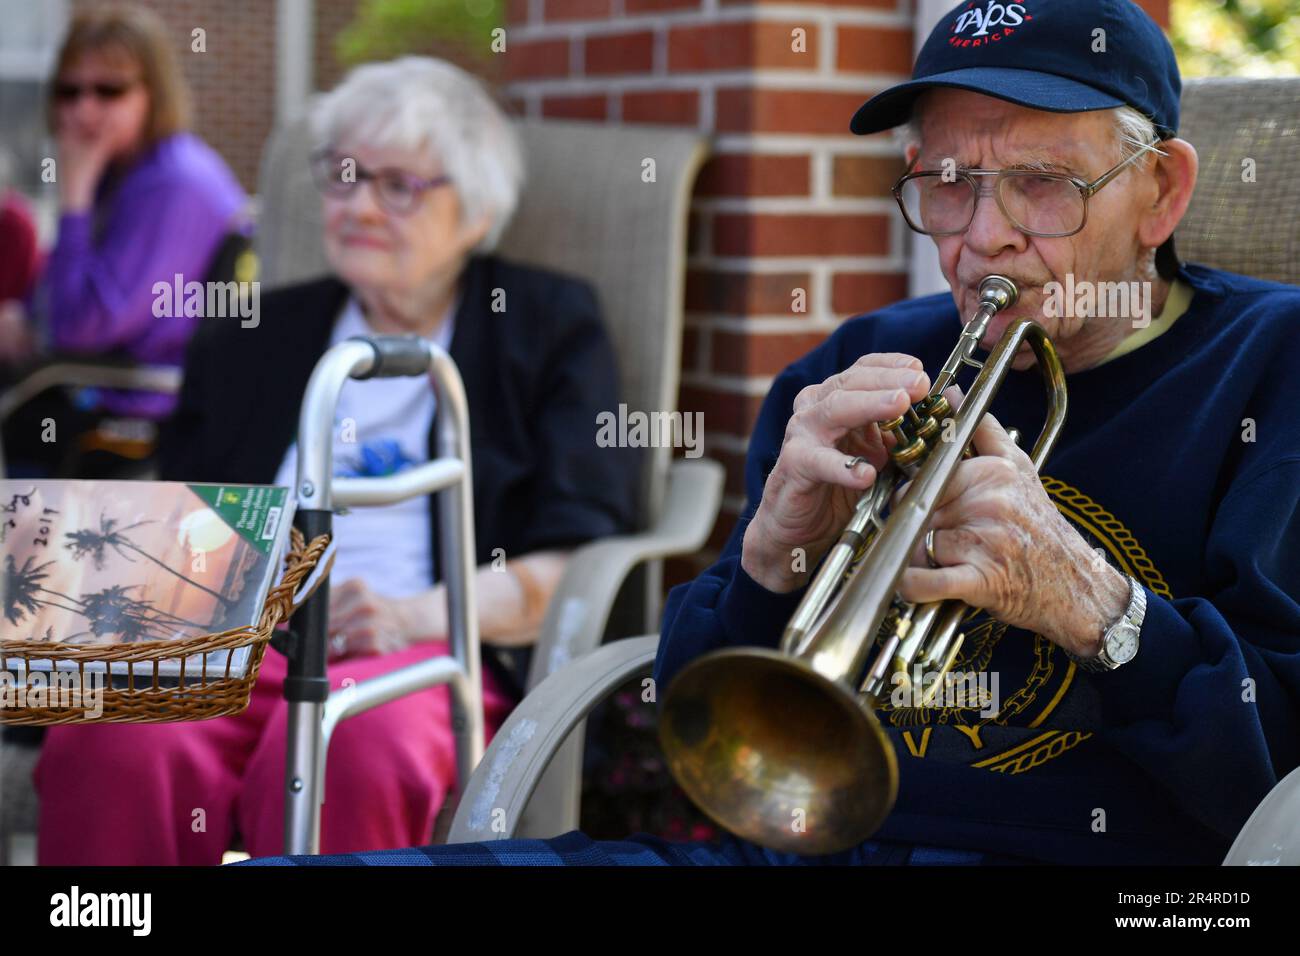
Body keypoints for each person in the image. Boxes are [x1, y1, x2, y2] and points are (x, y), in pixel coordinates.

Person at [242, 0, 1299, 867]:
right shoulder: (863, 358)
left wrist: (1096, 604)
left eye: (1040, 184)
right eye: (945, 182)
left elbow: (1272, 763)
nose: (983, 238)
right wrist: (769, 555)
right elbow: (699, 736)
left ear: (1159, 192)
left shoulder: (1271, 362)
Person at [34, 55, 640, 865]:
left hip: (422, 645)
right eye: (344, 177)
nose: (358, 206)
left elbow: (570, 555)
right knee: (110, 744)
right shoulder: (253, 335)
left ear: (475, 211)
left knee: (350, 750)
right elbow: (180, 519)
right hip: (240, 634)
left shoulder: (544, 324)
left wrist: (411, 615)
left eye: (398, 186)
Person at [1, 5, 247, 476]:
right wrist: (24, 314)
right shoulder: (125, 171)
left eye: (109, 90)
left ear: (153, 94)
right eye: (69, 91)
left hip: (132, 414)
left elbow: (80, 327)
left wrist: (73, 198)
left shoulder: (172, 182)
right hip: (86, 386)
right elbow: (60, 296)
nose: (84, 109)